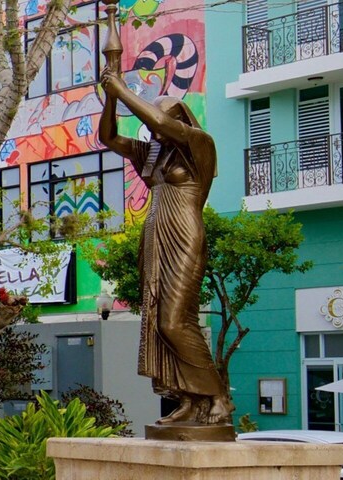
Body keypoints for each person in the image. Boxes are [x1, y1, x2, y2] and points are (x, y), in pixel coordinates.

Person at [96, 7, 230, 427]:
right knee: (157, 320)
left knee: (175, 319)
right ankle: (190, 400)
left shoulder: (198, 145)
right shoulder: (153, 154)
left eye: (163, 121)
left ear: (179, 120)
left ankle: (219, 397)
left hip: (184, 230)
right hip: (156, 230)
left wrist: (122, 87)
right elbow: (108, 137)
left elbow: (153, 117)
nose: (155, 130)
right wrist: (112, 98)